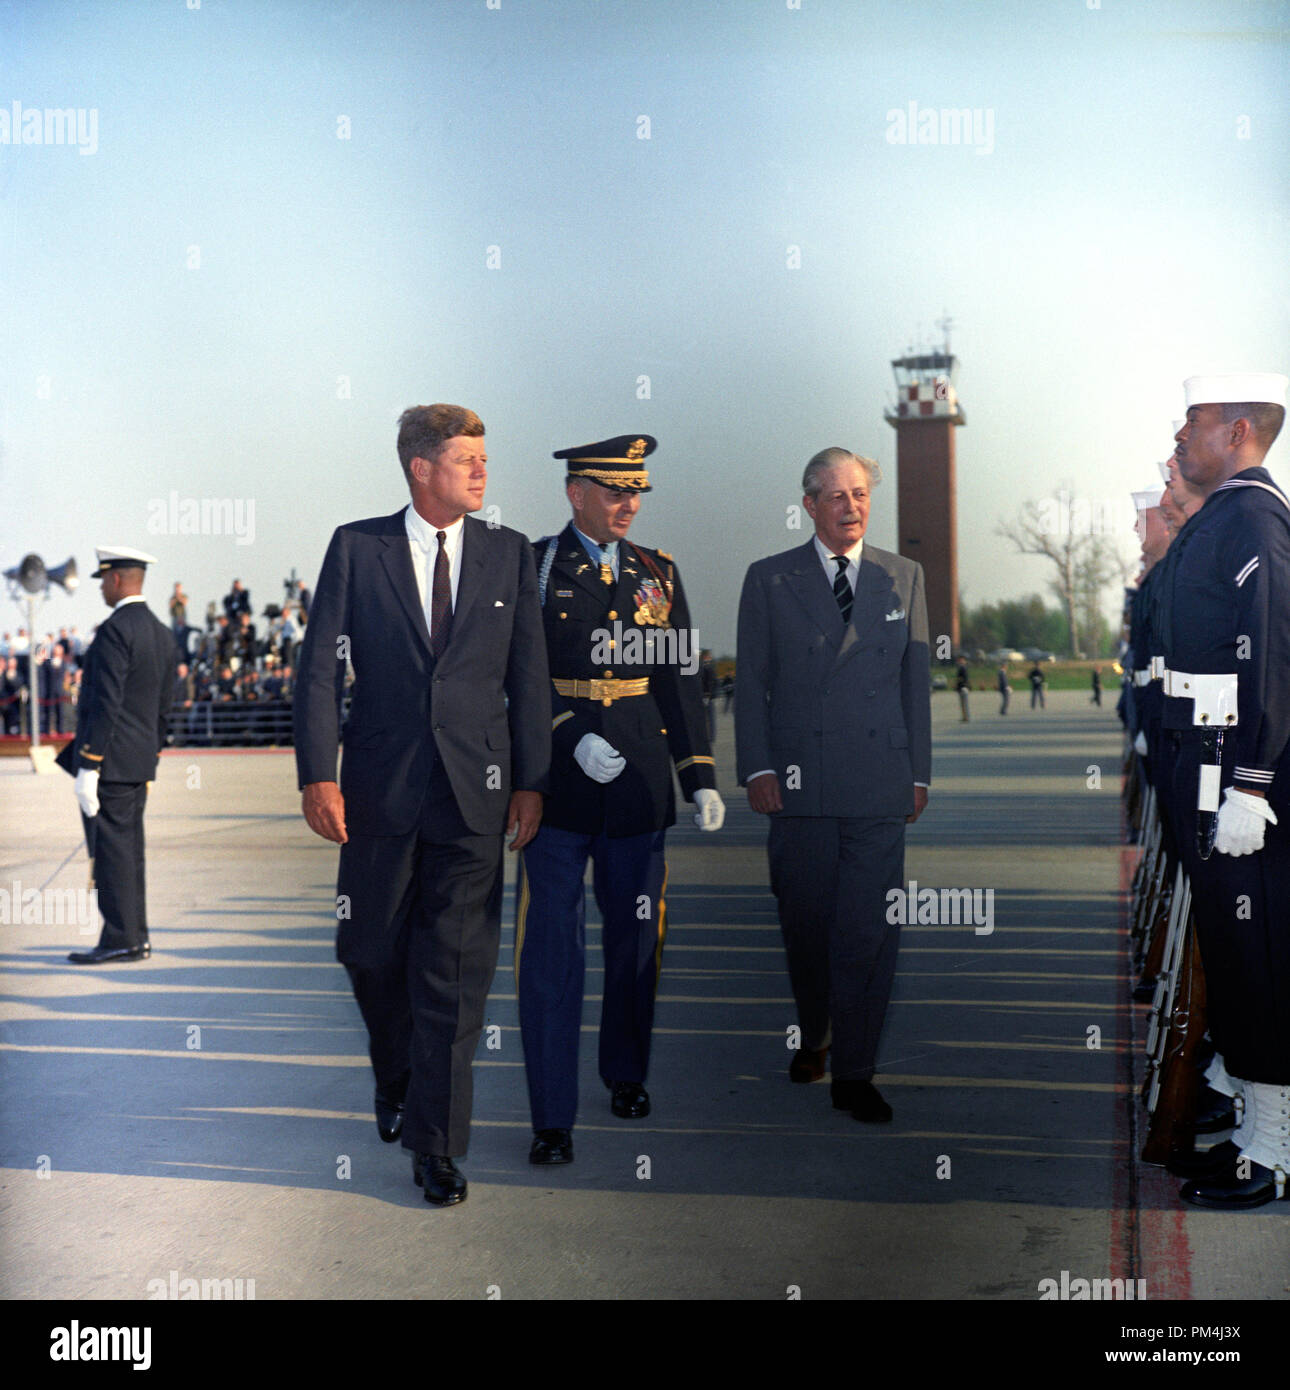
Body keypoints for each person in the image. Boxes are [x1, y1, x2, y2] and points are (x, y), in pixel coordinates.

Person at [294, 403, 550, 1208]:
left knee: (455, 974)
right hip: (379, 791)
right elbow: (317, 672)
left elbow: (530, 678)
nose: (482, 470)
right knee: (368, 953)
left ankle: (436, 1145)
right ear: (419, 468)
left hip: (476, 799)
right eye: (466, 458)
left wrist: (531, 780)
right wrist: (317, 773)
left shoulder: (509, 555)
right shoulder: (357, 547)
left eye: (484, 456)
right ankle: (395, 1074)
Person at [515, 434, 723, 1167]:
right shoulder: (536, 567)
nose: (628, 504)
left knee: (636, 943)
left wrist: (698, 774)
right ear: (576, 493)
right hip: (560, 787)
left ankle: (627, 1073)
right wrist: (569, 734)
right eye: (614, 491)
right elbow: (518, 674)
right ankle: (551, 1114)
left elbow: (679, 679)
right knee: (551, 952)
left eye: (636, 492)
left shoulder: (656, 573)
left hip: (637, 786)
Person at [735, 447, 930, 1123]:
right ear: (809, 504)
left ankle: (855, 1072)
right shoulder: (769, 580)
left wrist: (920, 772)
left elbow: (915, 684)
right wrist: (757, 769)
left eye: (861, 495)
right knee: (808, 928)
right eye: (837, 496)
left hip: (878, 784)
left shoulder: (902, 577)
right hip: (799, 789)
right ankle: (814, 1030)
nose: (852, 507)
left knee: (868, 935)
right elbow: (751, 685)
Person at [1154, 372, 1290, 1209]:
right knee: (1236, 965)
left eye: (1193, 422)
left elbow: (1273, 650)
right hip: (1202, 764)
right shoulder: (1222, 518)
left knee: (1260, 963)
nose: (1181, 433)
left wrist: (1252, 781)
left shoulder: (1254, 519)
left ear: (1236, 429)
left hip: (1236, 777)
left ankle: (1274, 1151)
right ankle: (1251, 1132)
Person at [58, 546, 176, 964]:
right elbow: (164, 708)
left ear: (117, 580)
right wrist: (151, 756)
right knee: (129, 852)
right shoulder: (161, 633)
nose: (102, 589)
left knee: (111, 853)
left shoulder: (114, 631)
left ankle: (121, 938)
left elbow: (104, 704)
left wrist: (89, 764)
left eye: (103, 581)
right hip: (137, 762)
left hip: (108, 763)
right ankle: (134, 935)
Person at [954, 657, 970, 722]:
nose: (960, 662)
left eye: (961, 660)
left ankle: (966, 717)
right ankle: (965, 717)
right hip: (964, 688)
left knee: (964, 704)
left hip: (962, 688)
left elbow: (961, 678)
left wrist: (957, 684)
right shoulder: (963, 668)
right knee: (964, 704)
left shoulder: (962, 668)